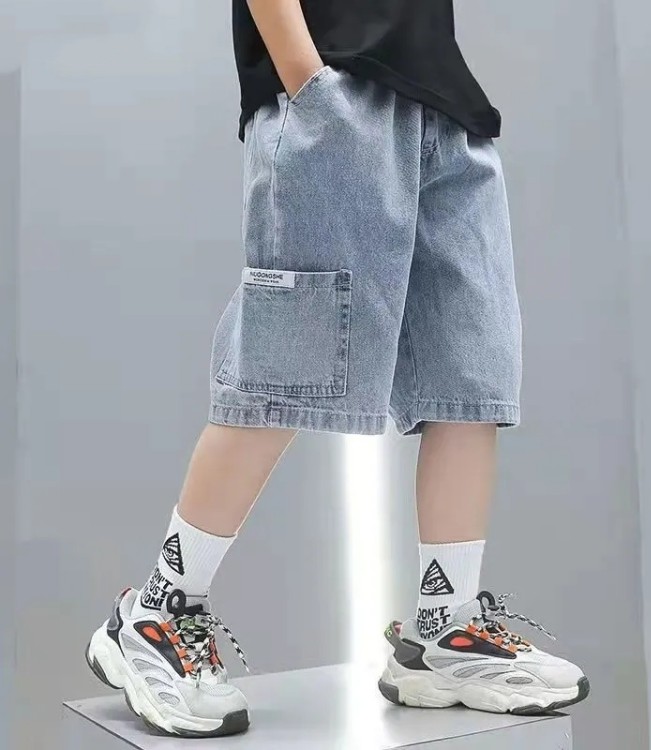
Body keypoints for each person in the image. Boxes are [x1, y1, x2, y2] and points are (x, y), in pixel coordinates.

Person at [85, 0, 589, 737]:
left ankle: (443, 632)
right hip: (337, 97)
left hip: (447, 111)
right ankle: (157, 612)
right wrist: (308, 82)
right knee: (283, 372)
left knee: (470, 380)